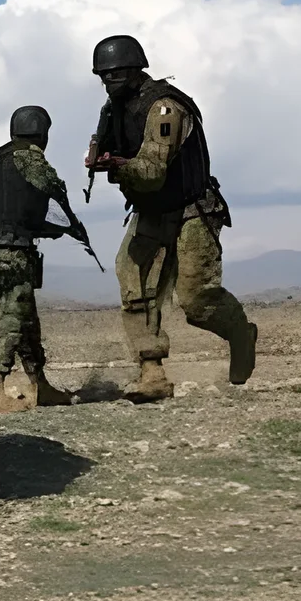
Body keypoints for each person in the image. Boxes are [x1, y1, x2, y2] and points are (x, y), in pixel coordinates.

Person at [85, 36, 257, 401]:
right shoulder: (115, 109)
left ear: (135, 69)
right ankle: (152, 373)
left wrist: (116, 166)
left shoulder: (165, 108)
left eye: (115, 73)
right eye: (103, 75)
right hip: (151, 211)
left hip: (192, 210)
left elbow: (152, 172)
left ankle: (240, 333)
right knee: (134, 285)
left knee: (196, 300)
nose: (108, 81)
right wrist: (103, 157)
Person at [0, 105, 82, 412]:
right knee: (13, 316)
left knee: (27, 321)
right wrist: (70, 225)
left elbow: (12, 208)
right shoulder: (28, 156)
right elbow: (52, 187)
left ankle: (40, 386)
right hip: (14, 249)